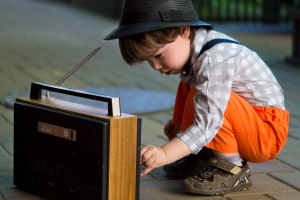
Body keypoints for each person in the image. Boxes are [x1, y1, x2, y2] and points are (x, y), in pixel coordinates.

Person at [104, 0, 290, 195]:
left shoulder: (214, 59)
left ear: (183, 30)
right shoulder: (198, 52)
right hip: (249, 123)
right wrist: (178, 124)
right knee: (190, 82)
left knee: (212, 95)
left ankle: (232, 168)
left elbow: (208, 121)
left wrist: (165, 153)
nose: (155, 67)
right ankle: (204, 155)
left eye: (158, 55)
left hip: (266, 134)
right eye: (148, 61)